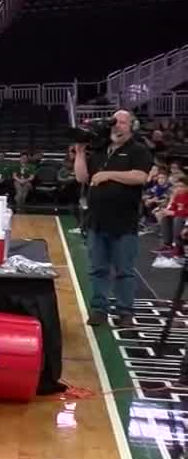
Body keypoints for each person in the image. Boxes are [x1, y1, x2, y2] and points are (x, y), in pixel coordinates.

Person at [74, 109, 153, 327]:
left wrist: (108, 175)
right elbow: (82, 177)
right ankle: (99, 309)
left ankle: (125, 311)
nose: (117, 126)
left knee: (124, 271)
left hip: (124, 222)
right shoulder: (99, 151)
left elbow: (140, 177)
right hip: (97, 220)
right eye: (114, 122)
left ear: (132, 127)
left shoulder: (138, 150)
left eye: (123, 122)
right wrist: (80, 152)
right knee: (97, 269)